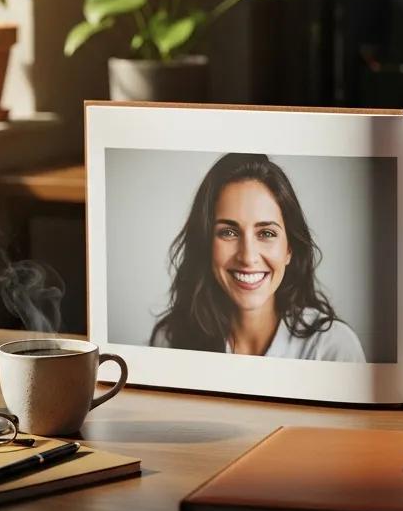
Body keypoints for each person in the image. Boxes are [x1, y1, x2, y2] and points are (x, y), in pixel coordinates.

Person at [150, 153, 366, 362]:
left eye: (266, 233)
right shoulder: (170, 340)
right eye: (229, 232)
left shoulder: (333, 349)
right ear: (206, 244)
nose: (248, 257)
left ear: (289, 249)